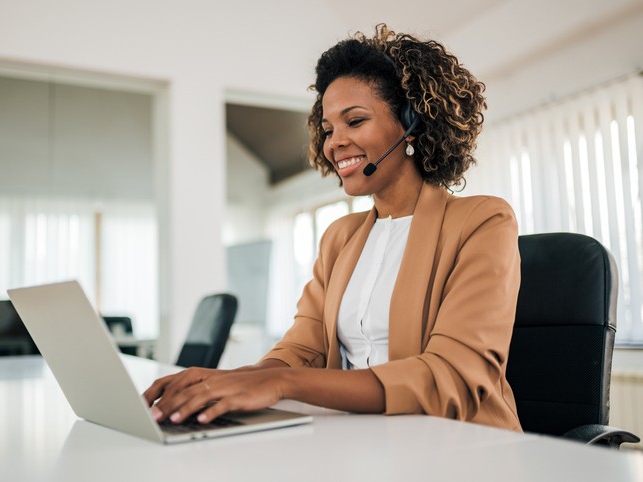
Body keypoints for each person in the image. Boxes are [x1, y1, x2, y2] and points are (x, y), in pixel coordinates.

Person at [144, 24, 521, 431]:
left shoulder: (483, 221)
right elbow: (301, 348)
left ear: (411, 123)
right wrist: (237, 380)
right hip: (363, 443)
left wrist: (281, 383)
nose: (334, 142)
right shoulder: (340, 237)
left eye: (354, 121)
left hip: (465, 448)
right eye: (328, 129)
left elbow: (452, 378)